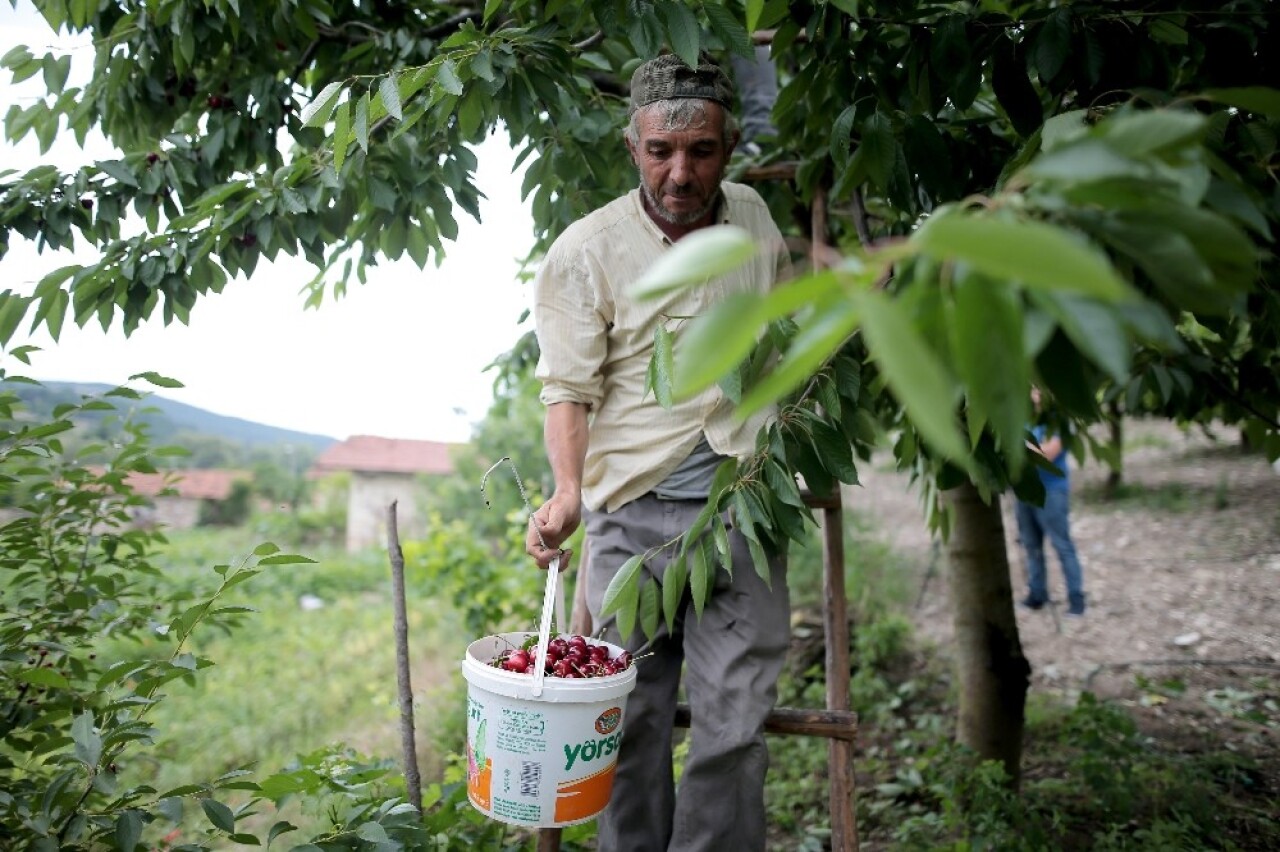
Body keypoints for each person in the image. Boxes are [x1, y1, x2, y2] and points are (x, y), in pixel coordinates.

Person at [525, 54, 792, 852]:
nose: (681, 171)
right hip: (630, 517)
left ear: (730, 146)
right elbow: (566, 388)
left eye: (701, 151)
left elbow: (776, 337)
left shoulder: (752, 220)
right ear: (633, 146)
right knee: (627, 723)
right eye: (660, 151)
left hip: (741, 510)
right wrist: (568, 492)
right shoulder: (586, 251)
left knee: (734, 727)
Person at [1015, 386, 1087, 617]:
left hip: (1051, 491)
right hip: (1024, 492)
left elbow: (1047, 454)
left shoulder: (1059, 420)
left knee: (1062, 544)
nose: (1035, 393)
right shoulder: (1022, 418)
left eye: (1040, 388)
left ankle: (1076, 600)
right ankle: (1037, 595)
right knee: (1031, 546)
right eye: (1032, 388)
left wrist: (1017, 447)